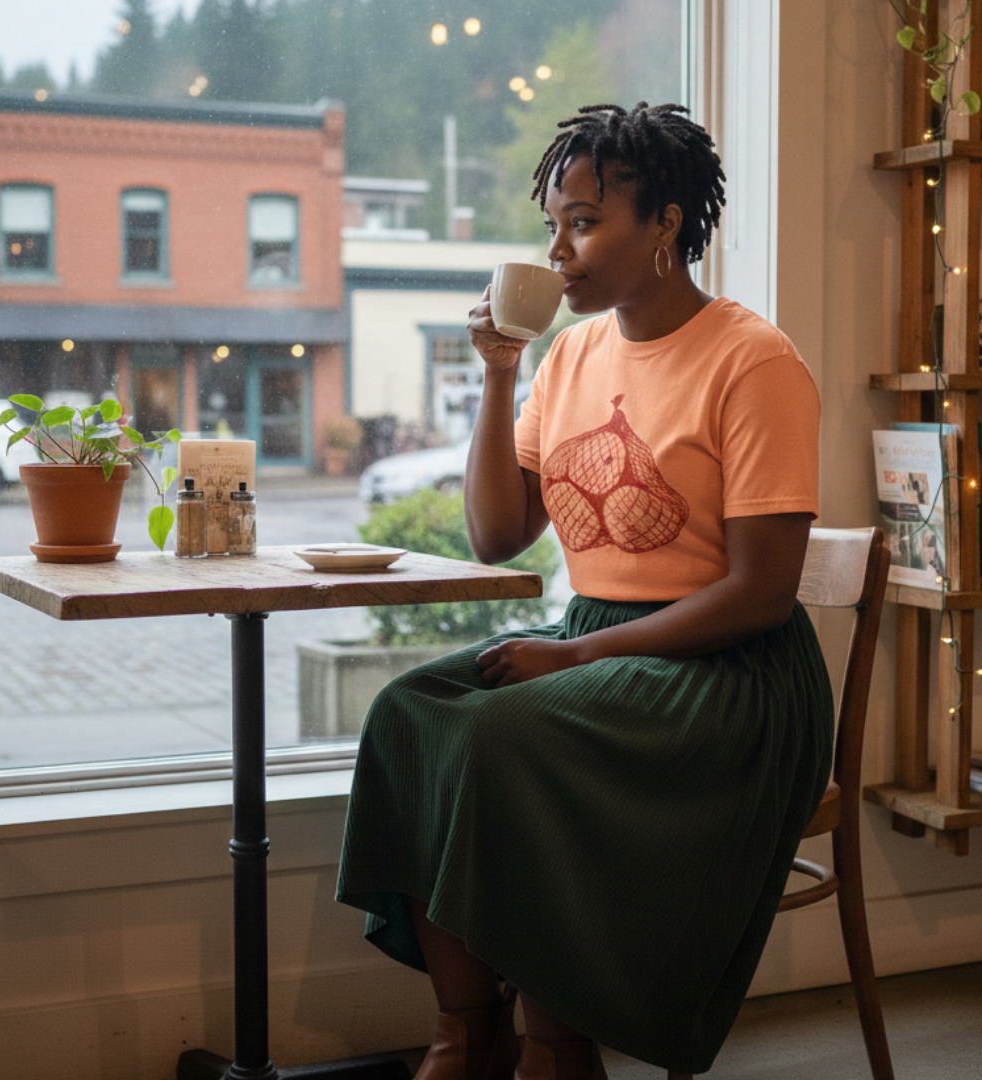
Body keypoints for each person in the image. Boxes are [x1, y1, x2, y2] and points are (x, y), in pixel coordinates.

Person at [336, 102, 833, 1080]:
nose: (558, 249)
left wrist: (574, 656)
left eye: (585, 221)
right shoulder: (568, 354)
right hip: (595, 643)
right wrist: (498, 374)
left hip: (727, 671)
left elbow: (762, 594)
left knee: (501, 736)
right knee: (407, 713)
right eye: (554, 223)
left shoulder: (753, 360)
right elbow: (495, 533)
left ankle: (557, 1046)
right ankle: (466, 1029)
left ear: (666, 225)